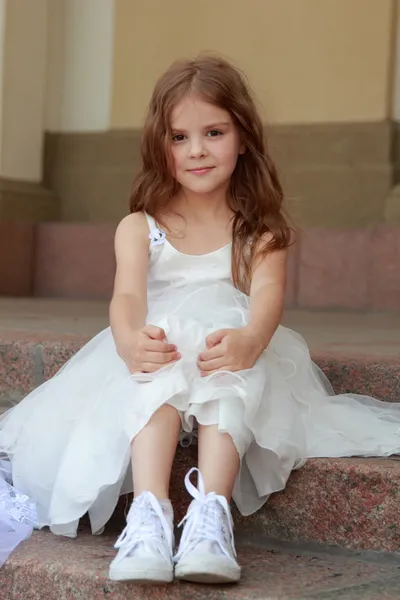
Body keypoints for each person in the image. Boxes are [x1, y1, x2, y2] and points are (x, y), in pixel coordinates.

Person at [1, 55, 400, 585]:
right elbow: (126, 296)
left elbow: (267, 302)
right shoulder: (140, 227)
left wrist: (251, 339)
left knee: (221, 361)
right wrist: (127, 339)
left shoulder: (262, 233)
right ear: (158, 146)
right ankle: (149, 515)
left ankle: (210, 516)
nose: (197, 150)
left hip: (230, 351)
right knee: (161, 351)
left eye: (214, 132)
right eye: (179, 137)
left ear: (243, 138)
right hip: (160, 351)